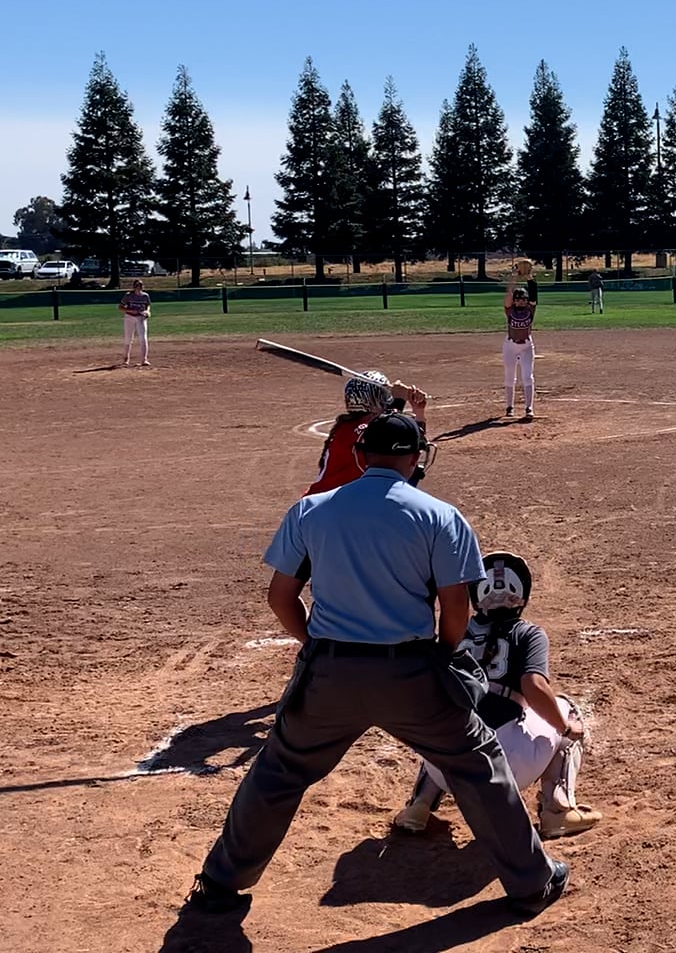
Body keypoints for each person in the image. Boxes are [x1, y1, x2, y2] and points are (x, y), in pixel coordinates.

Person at [180, 412, 570, 920]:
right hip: (410, 672)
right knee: (477, 764)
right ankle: (532, 883)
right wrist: (443, 654)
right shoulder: (440, 515)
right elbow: (456, 606)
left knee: (279, 770)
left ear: (362, 456)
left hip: (329, 673)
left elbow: (280, 597)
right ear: (416, 459)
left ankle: (219, 884)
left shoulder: (311, 510)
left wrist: (315, 644)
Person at [392, 552, 601, 840]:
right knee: (565, 709)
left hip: (446, 768)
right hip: (507, 767)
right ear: (522, 596)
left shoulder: (455, 632)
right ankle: (557, 810)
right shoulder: (528, 633)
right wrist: (565, 727)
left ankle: (419, 806)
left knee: (447, 718)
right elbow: (533, 686)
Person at [306, 372, 428, 497]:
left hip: (344, 500)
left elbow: (412, 444)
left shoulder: (352, 427)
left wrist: (418, 412)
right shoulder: (357, 430)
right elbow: (390, 435)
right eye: (385, 395)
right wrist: (398, 401)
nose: (388, 400)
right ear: (376, 400)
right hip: (327, 504)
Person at [504, 273, 537, 418]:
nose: (521, 302)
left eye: (524, 299)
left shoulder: (530, 309)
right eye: (518, 300)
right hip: (510, 346)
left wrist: (529, 278)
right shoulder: (509, 310)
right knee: (509, 376)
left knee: (527, 376)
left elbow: (534, 293)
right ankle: (509, 407)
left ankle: (529, 408)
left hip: (526, 346)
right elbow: (508, 295)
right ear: (514, 301)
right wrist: (513, 279)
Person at [119, 279, 151, 367]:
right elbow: (120, 307)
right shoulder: (128, 295)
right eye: (137, 286)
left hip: (141, 318)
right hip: (129, 317)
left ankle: (144, 359)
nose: (139, 287)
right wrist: (130, 311)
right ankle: (126, 358)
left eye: (140, 285)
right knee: (128, 338)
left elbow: (147, 305)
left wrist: (147, 311)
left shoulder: (145, 296)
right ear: (134, 287)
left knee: (143, 338)